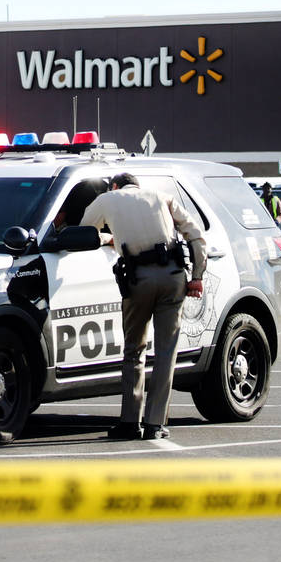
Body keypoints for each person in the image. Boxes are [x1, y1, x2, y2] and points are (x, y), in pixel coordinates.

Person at [79, 172, 206, 441]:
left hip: (137, 280)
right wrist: (197, 277)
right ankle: (155, 424)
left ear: (114, 186)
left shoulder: (106, 199)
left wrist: (108, 238)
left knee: (133, 350)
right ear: (138, 186)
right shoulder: (163, 197)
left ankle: (129, 422)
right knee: (165, 352)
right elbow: (196, 235)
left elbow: (83, 231)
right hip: (173, 278)